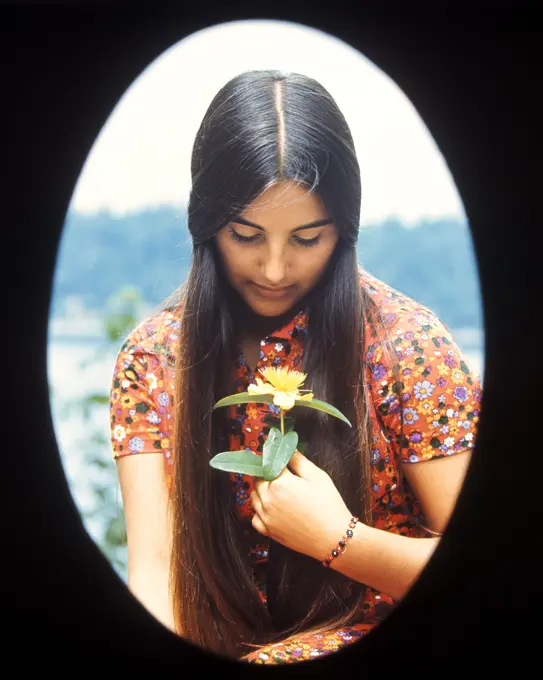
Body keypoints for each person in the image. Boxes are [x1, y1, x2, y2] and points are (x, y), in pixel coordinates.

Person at [109, 70, 482, 664]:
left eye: (307, 239)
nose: (275, 269)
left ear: (344, 231)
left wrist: (341, 540)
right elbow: (155, 576)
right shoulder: (154, 361)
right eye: (245, 235)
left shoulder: (405, 346)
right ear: (206, 227)